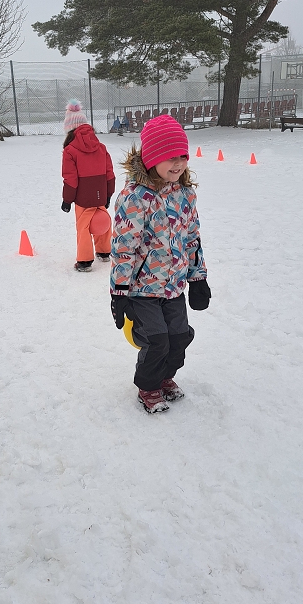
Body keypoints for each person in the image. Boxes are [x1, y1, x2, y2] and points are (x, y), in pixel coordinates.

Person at [110, 115, 211, 413]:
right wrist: (119, 292)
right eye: (170, 157)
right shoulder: (134, 198)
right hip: (142, 290)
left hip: (174, 287)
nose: (178, 163)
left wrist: (198, 278)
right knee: (157, 340)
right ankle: (148, 386)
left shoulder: (185, 194)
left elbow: (192, 238)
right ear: (153, 158)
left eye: (183, 156)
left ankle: (165, 377)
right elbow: (123, 248)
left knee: (179, 338)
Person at [61, 100, 116, 272]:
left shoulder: (70, 151)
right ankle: (104, 251)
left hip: (82, 198)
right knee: (102, 220)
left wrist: (67, 200)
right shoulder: (101, 147)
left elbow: (70, 178)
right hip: (100, 193)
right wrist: (108, 194)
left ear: (69, 129)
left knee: (83, 227)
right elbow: (109, 173)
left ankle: (84, 261)